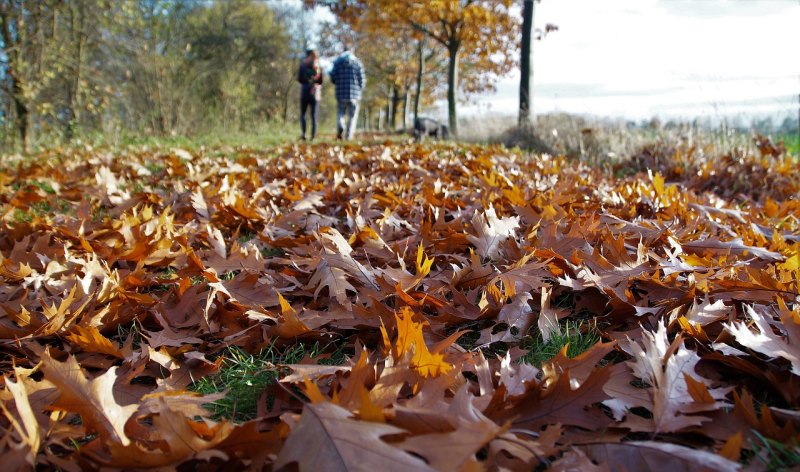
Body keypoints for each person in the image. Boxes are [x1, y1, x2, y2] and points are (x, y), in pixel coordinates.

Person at [329, 45, 365, 140]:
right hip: (355, 94)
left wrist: (337, 82)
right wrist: (360, 90)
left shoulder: (338, 62)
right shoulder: (357, 62)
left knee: (340, 113)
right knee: (352, 117)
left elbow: (332, 76)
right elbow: (362, 79)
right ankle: (348, 136)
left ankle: (341, 125)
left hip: (341, 93)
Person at [297, 48, 323, 141]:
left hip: (305, 91)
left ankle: (303, 134)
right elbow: (320, 81)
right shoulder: (318, 66)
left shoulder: (303, 65)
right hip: (315, 93)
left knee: (303, 114)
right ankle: (313, 136)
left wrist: (306, 82)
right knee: (314, 115)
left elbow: (299, 79)